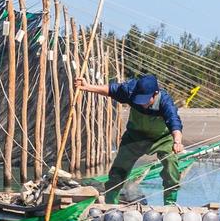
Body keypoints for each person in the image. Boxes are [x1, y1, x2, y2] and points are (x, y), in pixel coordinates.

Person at [72, 73, 184, 205]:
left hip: (162, 139)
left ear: (155, 94)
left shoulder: (165, 102)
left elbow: (174, 122)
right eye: (139, 100)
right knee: (118, 171)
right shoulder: (130, 90)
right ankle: (110, 204)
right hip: (134, 136)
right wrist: (88, 87)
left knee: (171, 168)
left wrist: (177, 141)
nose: (142, 104)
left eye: (145, 100)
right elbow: (111, 90)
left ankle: (170, 205)